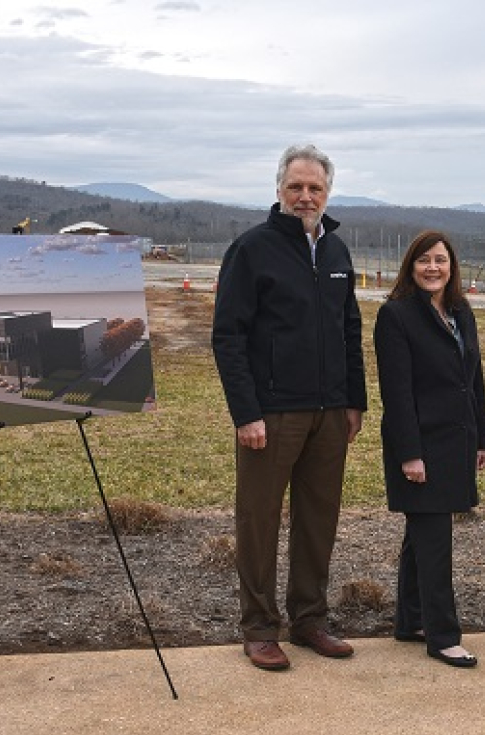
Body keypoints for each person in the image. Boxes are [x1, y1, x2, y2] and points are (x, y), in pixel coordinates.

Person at [212, 144, 367, 671]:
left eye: (315, 188)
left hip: (330, 411)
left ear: (327, 192)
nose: (306, 197)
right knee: (258, 521)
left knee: (318, 518)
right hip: (272, 413)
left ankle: (310, 620)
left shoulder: (339, 252)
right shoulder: (252, 249)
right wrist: (245, 412)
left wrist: (355, 402)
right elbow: (227, 336)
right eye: (296, 187)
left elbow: (350, 330)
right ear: (279, 191)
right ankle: (258, 627)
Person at [374, 230, 485, 668]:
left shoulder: (461, 312)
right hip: (420, 445)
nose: (432, 268)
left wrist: (483, 437)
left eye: (440, 260)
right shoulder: (396, 316)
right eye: (423, 260)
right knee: (434, 540)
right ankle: (443, 636)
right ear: (411, 266)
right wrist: (410, 453)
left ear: (451, 267)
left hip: (456, 441)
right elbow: (397, 392)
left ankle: (411, 620)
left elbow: (473, 380)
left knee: (420, 537)